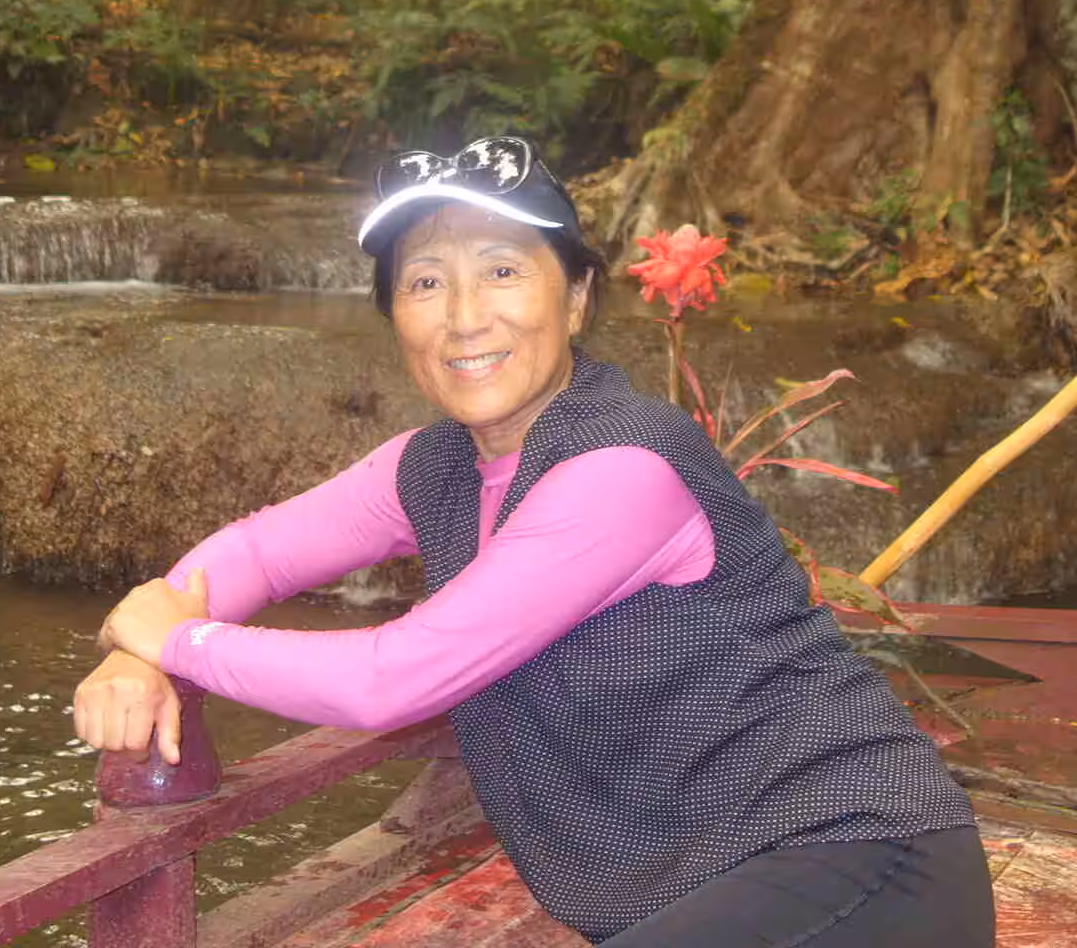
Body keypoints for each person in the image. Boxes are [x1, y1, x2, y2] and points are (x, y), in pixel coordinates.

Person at [68, 135, 993, 946]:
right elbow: (257, 553)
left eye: (503, 270)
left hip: (856, 865)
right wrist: (137, 655)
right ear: (395, 316)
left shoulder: (622, 469)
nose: (465, 315)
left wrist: (179, 640)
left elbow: (391, 679)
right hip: (693, 896)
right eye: (426, 282)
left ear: (578, 297)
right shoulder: (432, 466)